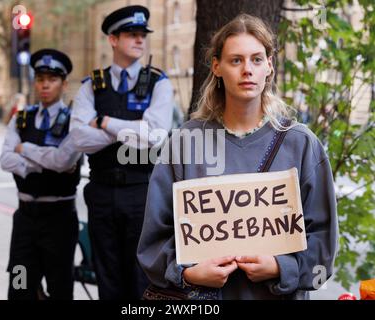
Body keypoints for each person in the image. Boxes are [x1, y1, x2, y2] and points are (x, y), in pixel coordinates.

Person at [137, 14, 339, 299]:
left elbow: (323, 250)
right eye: (236, 60)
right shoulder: (184, 142)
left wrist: (282, 267)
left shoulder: (302, 144)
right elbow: (153, 241)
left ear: (269, 65)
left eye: (257, 59)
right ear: (217, 67)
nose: (248, 70)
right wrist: (187, 273)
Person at [70, 5, 174, 300]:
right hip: (101, 191)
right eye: (132, 34)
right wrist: (132, 129)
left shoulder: (158, 82)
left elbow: (154, 136)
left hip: (142, 193)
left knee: (142, 276)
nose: (140, 40)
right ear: (113, 40)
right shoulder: (92, 86)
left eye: (143, 35)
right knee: (107, 275)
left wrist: (103, 122)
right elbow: (78, 137)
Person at [0, 48, 82, 300]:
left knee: (59, 289)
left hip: (59, 219)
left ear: (63, 83)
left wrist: (25, 150)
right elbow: (5, 159)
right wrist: (44, 161)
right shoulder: (21, 120)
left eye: (52, 79)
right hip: (25, 219)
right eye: (40, 79)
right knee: (20, 285)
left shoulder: (74, 121)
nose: (45, 85)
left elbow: (64, 160)